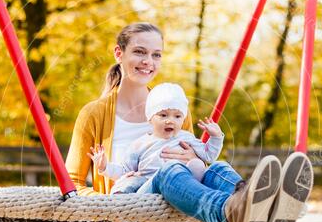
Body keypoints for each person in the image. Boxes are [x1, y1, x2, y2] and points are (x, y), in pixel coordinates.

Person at [65, 22, 312, 222]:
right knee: (170, 171)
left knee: (216, 168)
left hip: (177, 219)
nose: (148, 61)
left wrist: (196, 160)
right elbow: (72, 183)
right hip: (129, 218)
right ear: (119, 53)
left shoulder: (174, 107)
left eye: (156, 55)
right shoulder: (93, 114)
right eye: (139, 52)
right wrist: (107, 205)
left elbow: (196, 169)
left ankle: (262, 206)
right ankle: (230, 211)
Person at [88, 82, 224, 194]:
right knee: (128, 181)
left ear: (183, 119)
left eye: (177, 116)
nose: (170, 121)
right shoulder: (140, 144)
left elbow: (208, 155)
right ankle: (120, 203)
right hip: (148, 182)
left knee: (200, 165)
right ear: (150, 118)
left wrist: (216, 137)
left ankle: (197, 184)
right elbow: (125, 170)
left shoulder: (186, 138)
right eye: (163, 115)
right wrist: (104, 166)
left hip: (179, 182)